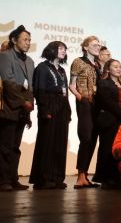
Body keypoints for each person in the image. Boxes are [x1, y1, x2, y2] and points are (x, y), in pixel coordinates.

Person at [29, 41, 71, 189]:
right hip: (49, 107)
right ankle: (43, 178)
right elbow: (39, 90)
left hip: (62, 108)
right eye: (60, 48)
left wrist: (68, 111)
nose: (63, 51)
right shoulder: (42, 68)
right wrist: (44, 110)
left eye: (65, 49)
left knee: (60, 143)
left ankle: (57, 177)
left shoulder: (62, 70)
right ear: (51, 50)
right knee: (47, 143)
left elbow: (65, 92)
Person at [0, 25, 34, 191]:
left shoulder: (30, 61)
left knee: (15, 147)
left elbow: (30, 87)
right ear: (14, 40)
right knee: (5, 146)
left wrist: (29, 107)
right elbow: (8, 82)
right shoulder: (6, 56)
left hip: (23, 110)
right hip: (9, 107)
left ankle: (13, 179)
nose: (28, 43)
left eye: (29, 40)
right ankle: (3, 180)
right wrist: (22, 102)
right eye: (25, 40)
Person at [92, 59, 121, 189]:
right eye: (115, 67)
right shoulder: (103, 83)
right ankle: (106, 178)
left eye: (120, 67)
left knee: (118, 149)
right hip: (109, 120)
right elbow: (107, 102)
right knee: (107, 149)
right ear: (108, 69)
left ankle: (117, 177)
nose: (119, 69)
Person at [69, 36, 101, 189]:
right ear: (86, 47)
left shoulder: (97, 65)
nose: (98, 47)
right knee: (86, 137)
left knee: (93, 139)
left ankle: (85, 176)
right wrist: (80, 97)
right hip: (85, 102)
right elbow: (71, 84)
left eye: (99, 45)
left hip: (96, 104)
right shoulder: (78, 61)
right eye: (94, 44)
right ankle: (80, 176)